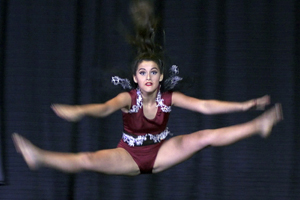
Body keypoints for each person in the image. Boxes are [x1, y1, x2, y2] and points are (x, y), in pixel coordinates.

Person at [12, 0, 283, 176]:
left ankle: (258, 125)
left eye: (154, 71)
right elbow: (105, 108)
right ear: (136, 78)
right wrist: (80, 111)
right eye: (143, 72)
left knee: (204, 137)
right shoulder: (128, 98)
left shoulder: (168, 97)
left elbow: (205, 106)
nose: (149, 76)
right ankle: (40, 157)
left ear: (161, 76)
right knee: (88, 159)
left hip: (163, 149)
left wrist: (243, 105)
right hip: (128, 154)